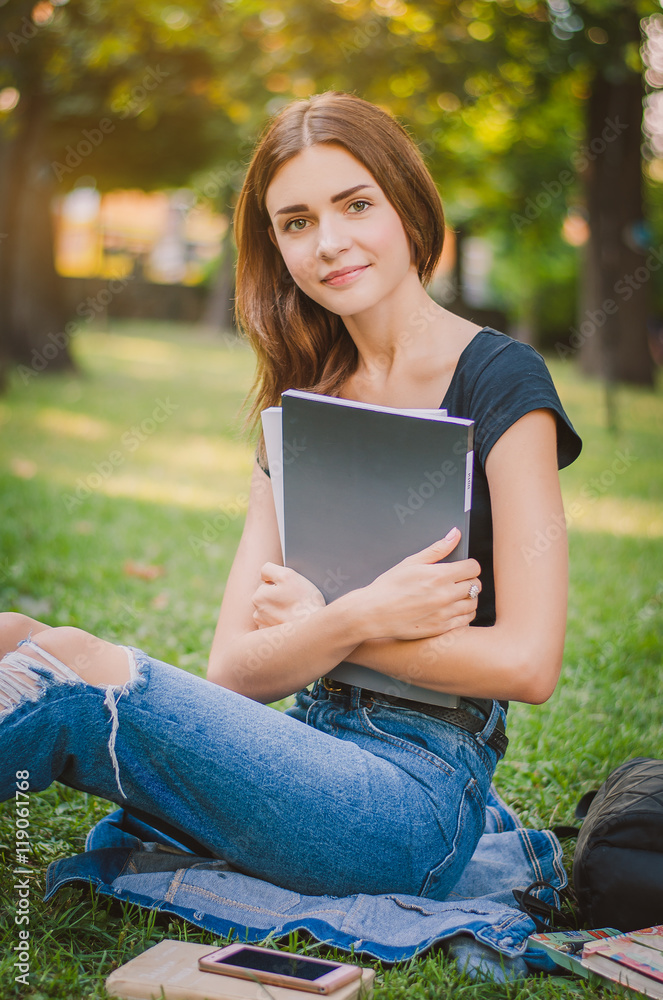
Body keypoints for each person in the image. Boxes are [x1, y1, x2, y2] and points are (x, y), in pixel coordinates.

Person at [0, 92, 581, 902]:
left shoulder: (501, 381)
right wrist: (356, 618)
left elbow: (526, 662)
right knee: (15, 636)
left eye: (355, 205)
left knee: (67, 673)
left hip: (408, 806)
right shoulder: (303, 398)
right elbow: (236, 667)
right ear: (274, 244)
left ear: (407, 206)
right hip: (299, 749)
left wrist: (319, 629)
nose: (330, 242)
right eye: (296, 221)